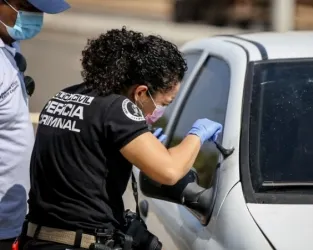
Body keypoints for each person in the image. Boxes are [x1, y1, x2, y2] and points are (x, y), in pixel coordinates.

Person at [17, 27, 223, 250]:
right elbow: (170, 171)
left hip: (38, 239)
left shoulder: (65, 95)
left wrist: (145, 145)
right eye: (165, 103)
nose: (159, 112)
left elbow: (85, 161)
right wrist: (197, 135)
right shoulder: (119, 108)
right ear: (141, 92)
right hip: (78, 242)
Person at [0, 0, 70, 249]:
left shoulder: (10, 46)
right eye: (26, 7)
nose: (35, 16)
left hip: (12, 222)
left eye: (39, 10)